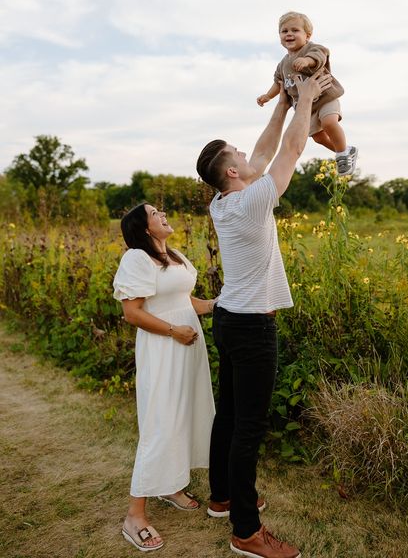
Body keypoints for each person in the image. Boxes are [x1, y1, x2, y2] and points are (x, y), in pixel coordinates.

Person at [196, 71, 332, 558]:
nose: (244, 155)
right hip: (252, 326)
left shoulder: (222, 201)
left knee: (228, 416)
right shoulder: (253, 201)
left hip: (230, 318)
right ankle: (246, 531)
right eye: (236, 154)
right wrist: (310, 98)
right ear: (231, 173)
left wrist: (282, 103)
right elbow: (290, 152)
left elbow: (262, 152)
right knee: (248, 427)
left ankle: (223, 498)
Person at [113, 203, 216, 552]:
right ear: (143, 228)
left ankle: (170, 484)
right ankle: (135, 516)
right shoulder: (137, 259)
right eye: (156, 213)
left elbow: (188, 302)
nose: (163, 215)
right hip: (163, 349)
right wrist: (174, 331)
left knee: (185, 416)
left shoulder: (175, 256)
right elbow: (132, 313)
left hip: (188, 348)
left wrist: (221, 303)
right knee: (160, 423)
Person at [257, 10, 358, 176]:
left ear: (307, 35)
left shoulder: (310, 49)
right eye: (284, 31)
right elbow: (278, 82)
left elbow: (320, 56)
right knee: (318, 137)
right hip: (307, 108)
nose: (289, 34)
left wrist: (306, 61)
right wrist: (268, 96)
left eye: (295, 30)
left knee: (329, 123)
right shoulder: (282, 63)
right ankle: (346, 150)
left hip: (325, 98)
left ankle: (342, 153)